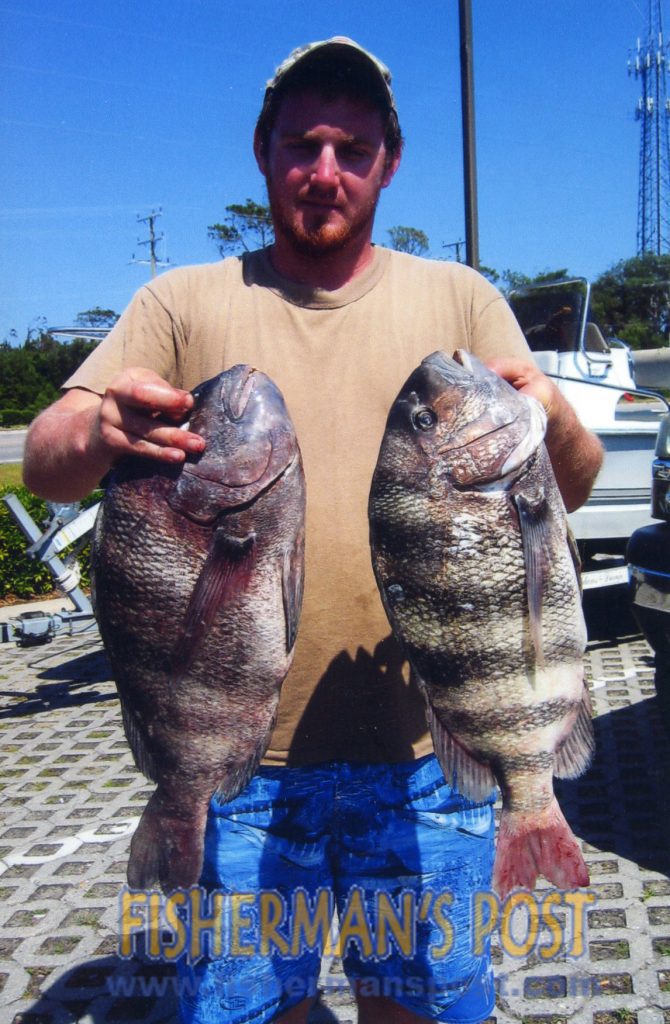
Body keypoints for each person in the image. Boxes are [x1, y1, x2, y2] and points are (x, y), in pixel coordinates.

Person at [23, 37, 603, 1024]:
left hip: (432, 754)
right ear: (262, 150)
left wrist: (551, 412)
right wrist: (95, 430)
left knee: (418, 1009)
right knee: (252, 1012)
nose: (324, 170)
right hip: (241, 771)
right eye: (301, 144)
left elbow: (571, 488)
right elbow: (45, 456)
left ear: (390, 158)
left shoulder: (457, 300)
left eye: (351, 146)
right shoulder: (182, 301)